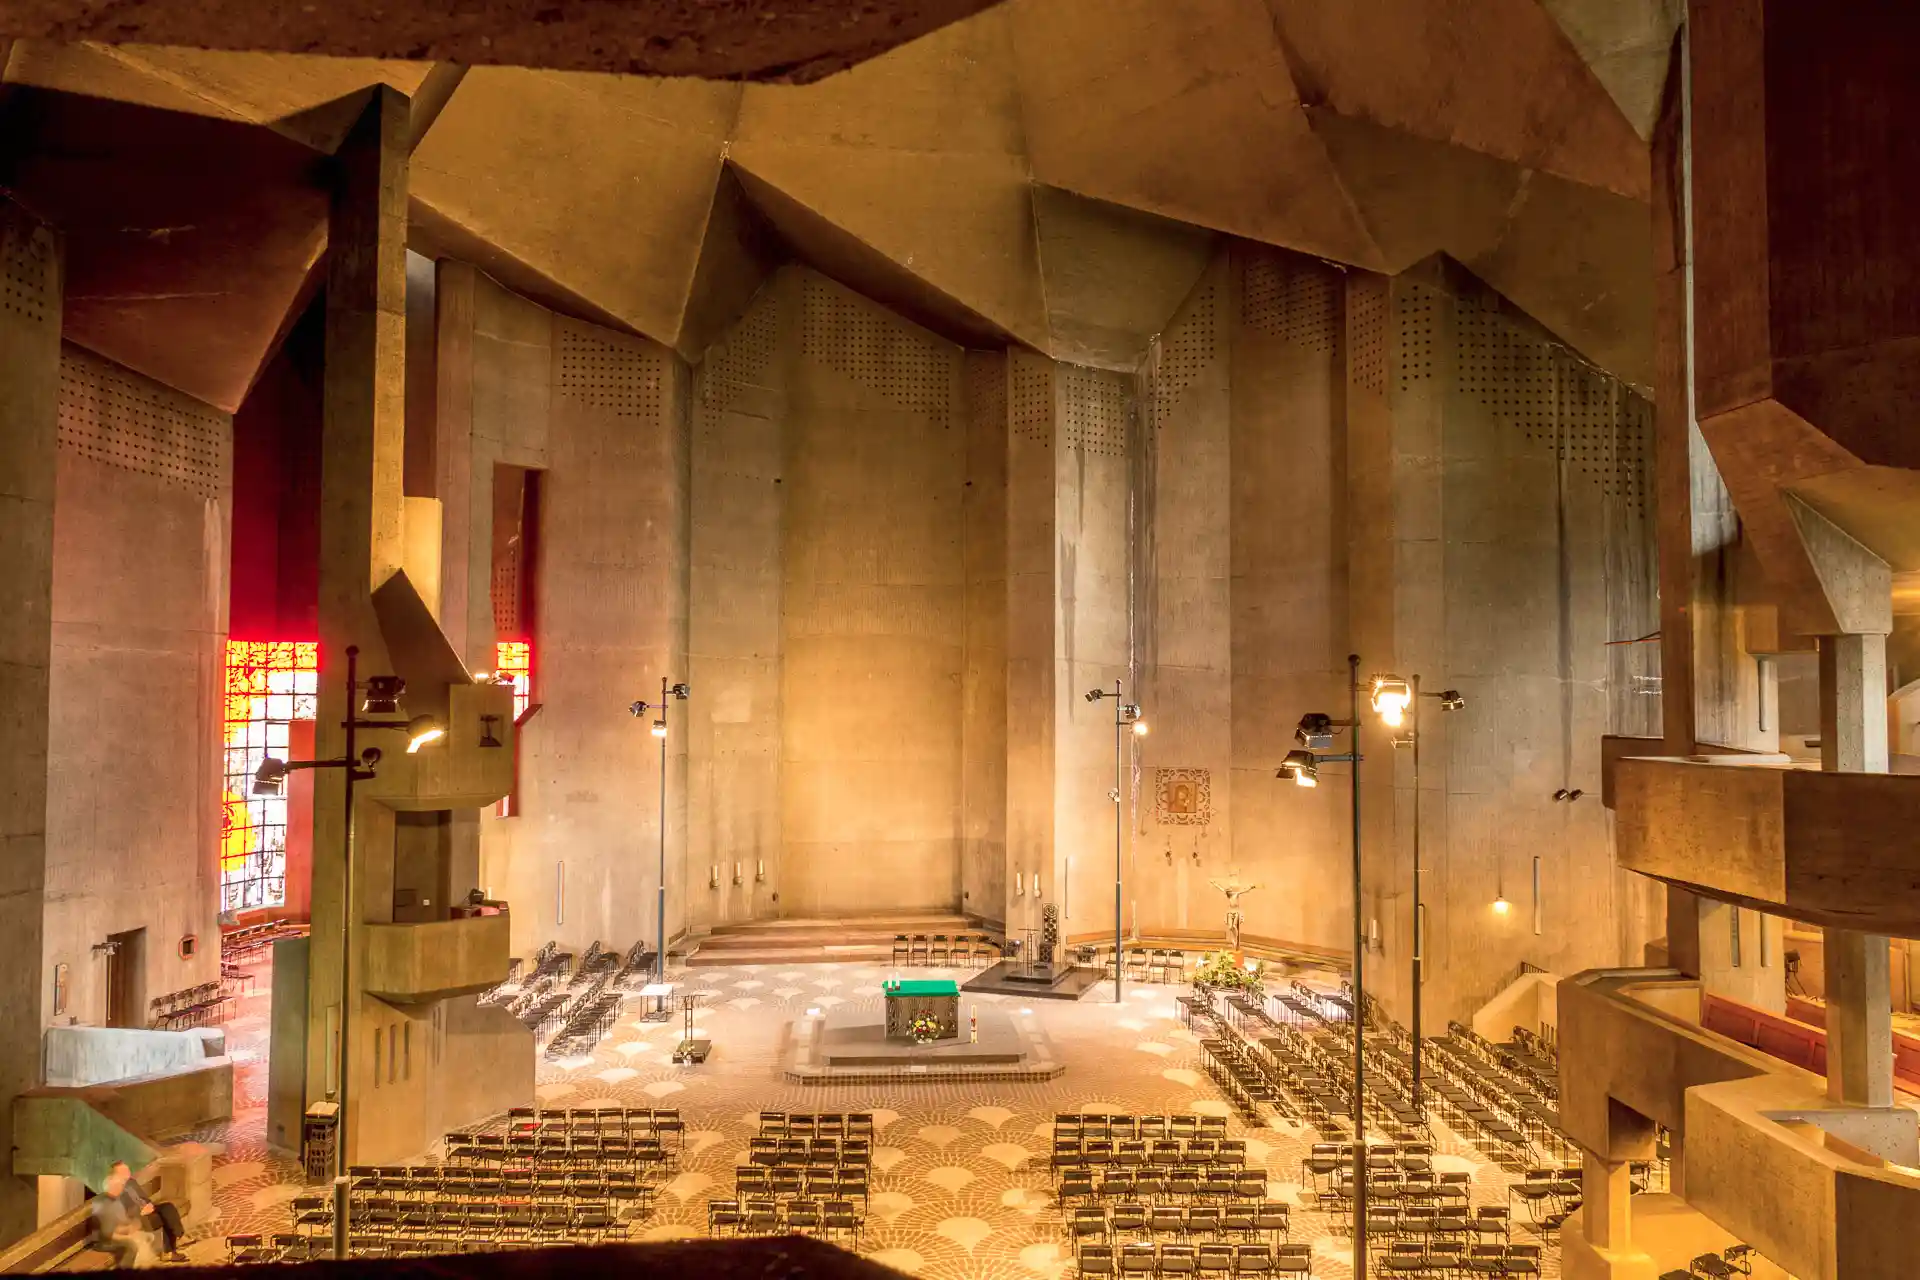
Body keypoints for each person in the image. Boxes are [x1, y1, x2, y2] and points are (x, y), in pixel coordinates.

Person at [91, 1161, 186, 1266]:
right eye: (124, 1170)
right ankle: (170, 1249)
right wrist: (140, 1212)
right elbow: (122, 1211)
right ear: (116, 1173)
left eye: (127, 1169)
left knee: (168, 1208)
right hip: (137, 1217)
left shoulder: (131, 1182)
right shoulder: (116, 1188)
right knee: (163, 1218)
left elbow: (143, 1197)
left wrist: (149, 1205)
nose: (128, 1172)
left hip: (147, 1209)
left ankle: (178, 1233)